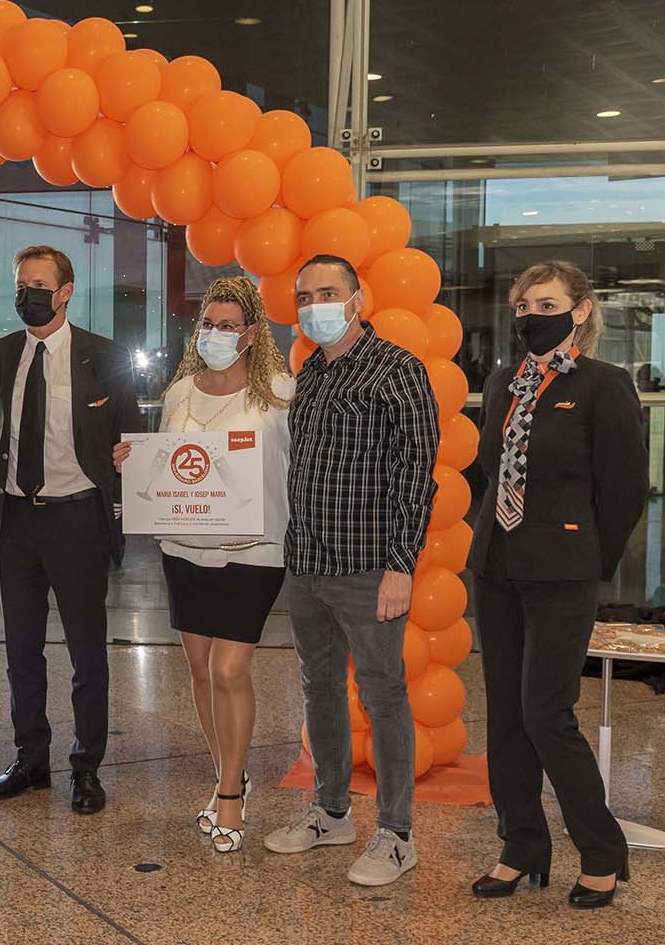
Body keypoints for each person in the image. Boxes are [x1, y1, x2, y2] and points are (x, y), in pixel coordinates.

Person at [468, 262, 646, 909]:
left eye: (544, 301)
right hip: (495, 567)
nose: (528, 313)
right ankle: (521, 847)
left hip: (563, 571)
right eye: (521, 303)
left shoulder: (605, 385)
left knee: (547, 713)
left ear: (580, 310)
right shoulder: (501, 383)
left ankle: (602, 852)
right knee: (506, 718)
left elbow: (624, 488)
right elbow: (490, 471)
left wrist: (587, 559)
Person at [263, 254, 439, 886]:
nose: (315, 305)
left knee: (383, 692)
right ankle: (331, 811)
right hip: (307, 561)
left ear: (358, 299)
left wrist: (402, 566)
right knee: (318, 687)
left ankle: (396, 834)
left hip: (369, 567)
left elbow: (416, 475)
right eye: (305, 296)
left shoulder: (398, 371)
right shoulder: (309, 372)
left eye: (328, 292)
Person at [112, 276, 293, 852]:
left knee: (228, 670)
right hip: (184, 548)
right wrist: (133, 464)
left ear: (253, 334)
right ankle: (226, 776)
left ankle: (234, 798)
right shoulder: (181, 391)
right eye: (207, 324)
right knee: (197, 667)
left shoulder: (280, 394)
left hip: (254, 550)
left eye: (228, 326)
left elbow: (297, 472)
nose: (215, 334)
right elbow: (168, 462)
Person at [0, 245, 142, 815]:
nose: (28, 293)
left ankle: (87, 767)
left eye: (40, 284)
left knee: (85, 651)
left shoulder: (104, 355)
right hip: (17, 519)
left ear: (66, 291)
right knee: (21, 650)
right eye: (22, 283)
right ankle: (30, 759)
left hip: (78, 518)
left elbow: (130, 437)